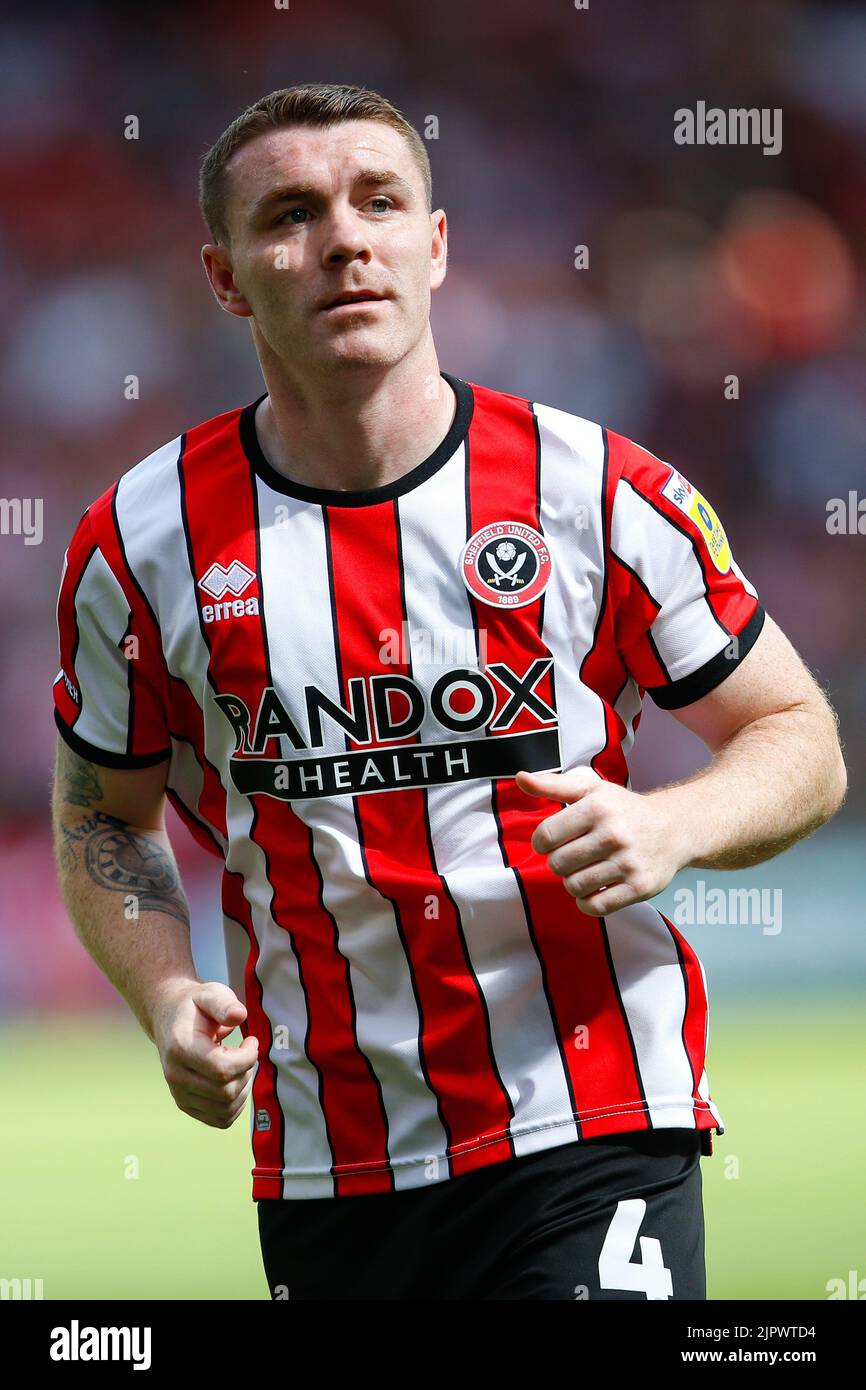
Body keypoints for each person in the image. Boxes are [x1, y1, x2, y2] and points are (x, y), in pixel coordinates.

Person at [51, 82, 846, 1301]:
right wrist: (163, 995)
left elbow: (798, 736)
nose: (343, 239)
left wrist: (670, 824)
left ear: (433, 245)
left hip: (592, 1115)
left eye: (379, 202)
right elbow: (106, 809)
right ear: (224, 276)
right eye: (292, 214)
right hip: (328, 1161)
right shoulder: (139, 541)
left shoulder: (595, 488)